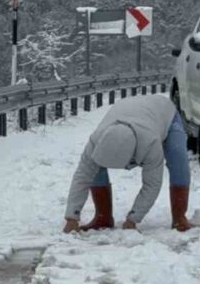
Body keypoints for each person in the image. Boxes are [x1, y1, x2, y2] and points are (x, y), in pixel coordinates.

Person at [62, 94, 191, 233]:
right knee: (94, 168)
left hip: (165, 113)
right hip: (130, 112)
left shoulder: (150, 143)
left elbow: (152, 184)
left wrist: (133, 219)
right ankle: (103, 217)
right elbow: (82, 177)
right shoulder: (96, 141)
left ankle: (179, 218)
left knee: (178, 160)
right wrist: (72, 218)